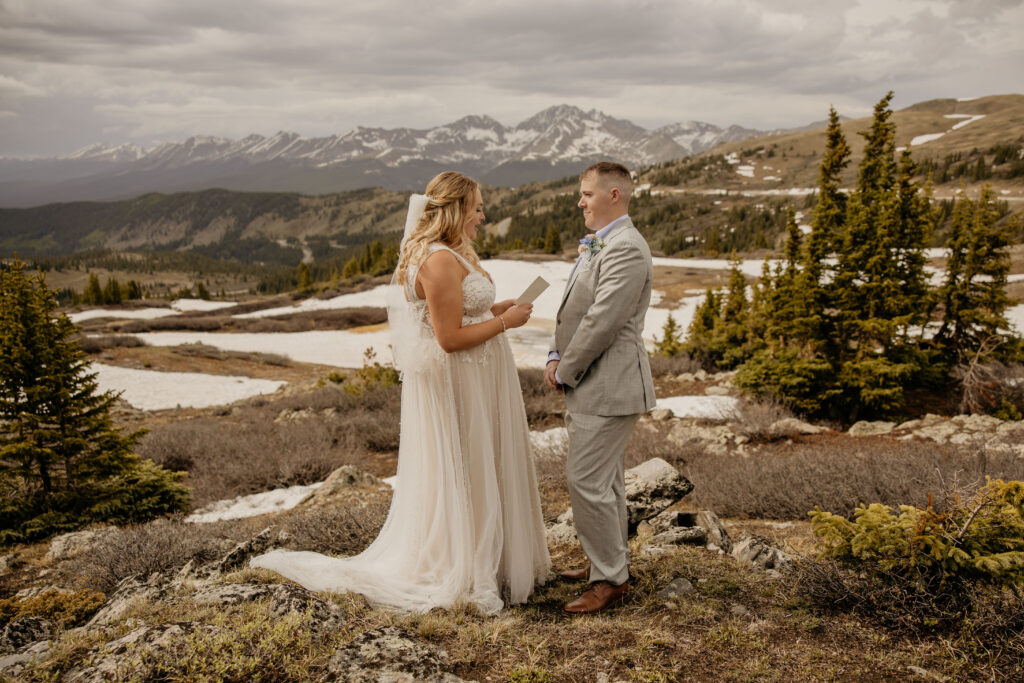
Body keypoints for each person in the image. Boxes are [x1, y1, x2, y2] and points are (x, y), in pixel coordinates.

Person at [252, 171, 551, 614]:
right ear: (455, 209)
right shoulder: (437, 259)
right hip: (461, 380)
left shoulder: (452, 253)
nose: (483, 216)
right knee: (468, 466)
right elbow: (448, 338)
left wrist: (496, 309)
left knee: (482, 463)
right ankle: (465, 565)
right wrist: (506, 323)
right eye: (478, 207)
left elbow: (461, 314)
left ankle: (493, 559)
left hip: (480, 374)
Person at [544, 161, 656, 615]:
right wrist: (554, 353)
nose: (580, 201)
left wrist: (565, 369)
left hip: (609, 384)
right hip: (595, 384)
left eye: (587, 193)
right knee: (604, 482)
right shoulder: (599, 243)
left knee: (586, 480)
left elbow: (602, 322)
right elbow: (572, 310)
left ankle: (610, 580)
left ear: (614, 195)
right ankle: (606, 566)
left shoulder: (626, 248)